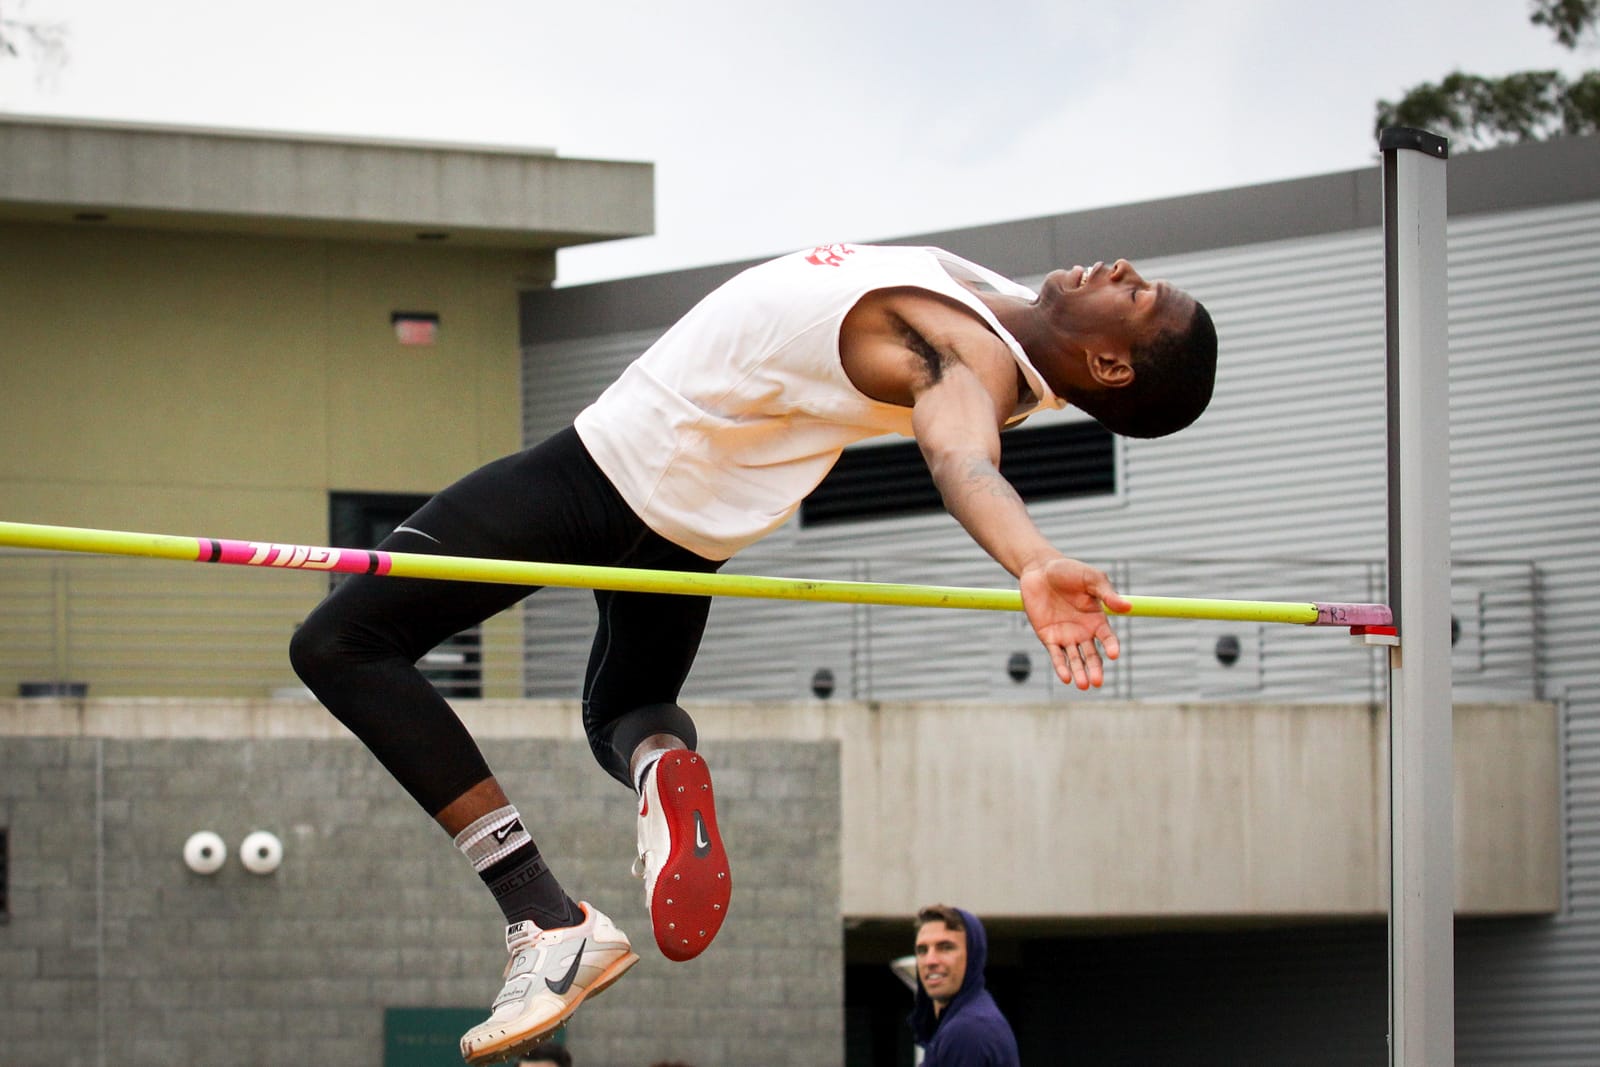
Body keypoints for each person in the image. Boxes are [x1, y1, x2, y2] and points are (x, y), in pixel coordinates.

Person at [288, 243, 1217, 1064]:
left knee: (341, 643)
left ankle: (547, 917)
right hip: (689, 518)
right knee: (622, 712)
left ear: (1106, 360)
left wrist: (1034, 558)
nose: (1124, 272)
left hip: (610, 475)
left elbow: (962, 459)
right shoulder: (1013, 312)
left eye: (1138, 299)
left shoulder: (967, 360)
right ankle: (661, 764)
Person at [910, 904, 1021, 1066]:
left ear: (973, 957)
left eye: (946, 948)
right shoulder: (967, 1020)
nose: (930, 961)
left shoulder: (967, 1029)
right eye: (922, 950)